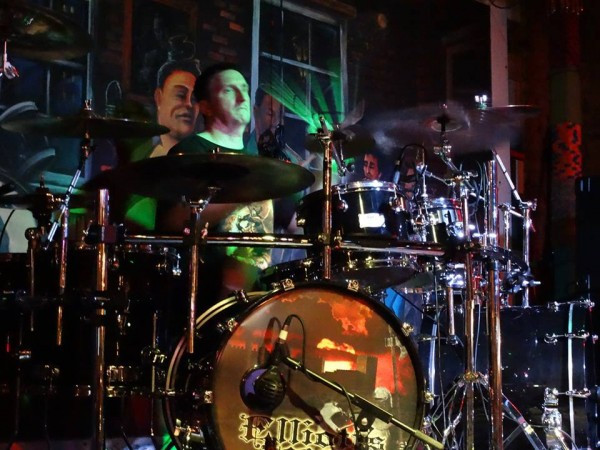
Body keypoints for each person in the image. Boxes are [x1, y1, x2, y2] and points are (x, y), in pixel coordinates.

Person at [161, 63, 273, 303]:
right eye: (229, 90)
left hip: (256, 297)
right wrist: (243, 192)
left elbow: (294, 223)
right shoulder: (190, 152)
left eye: (245, 89)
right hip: (205, 294)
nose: (242, 97)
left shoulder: (258, 161)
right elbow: (173, 222)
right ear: (206, 107)